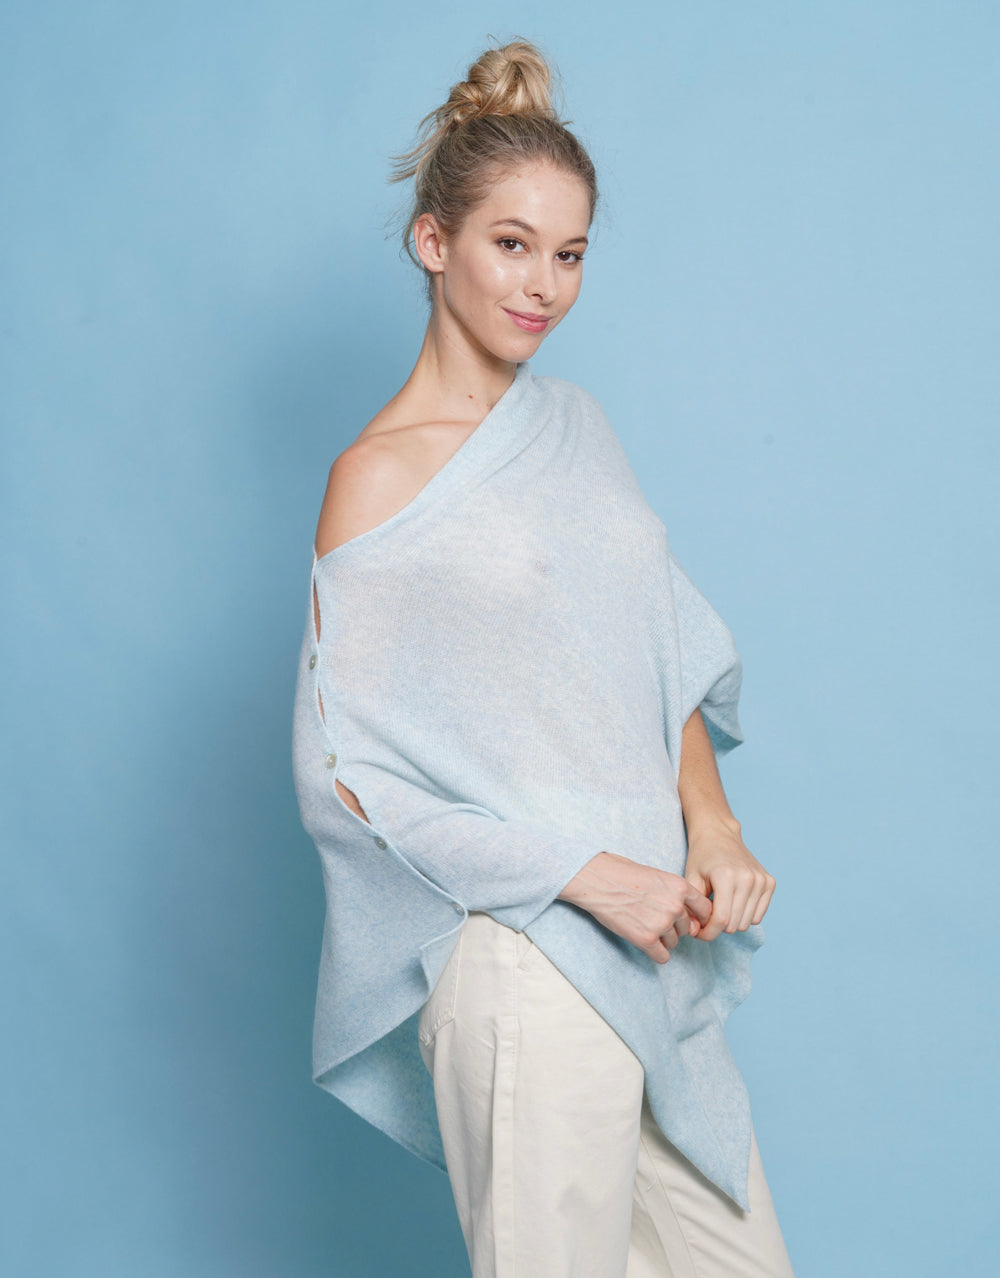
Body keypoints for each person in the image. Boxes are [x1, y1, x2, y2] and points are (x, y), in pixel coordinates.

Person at [292, 36, 796, 1278]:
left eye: (569, 254)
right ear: (434, 242)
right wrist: (583, 873)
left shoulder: (577, 425)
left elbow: (661, 651)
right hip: (522, 955)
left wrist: (713, 826)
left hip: (654, 946)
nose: (544, 286)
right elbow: (350, 783)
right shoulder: (377, 479)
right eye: (511, 244)